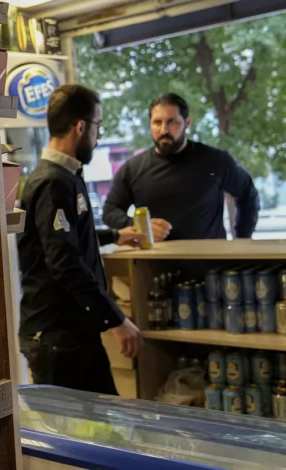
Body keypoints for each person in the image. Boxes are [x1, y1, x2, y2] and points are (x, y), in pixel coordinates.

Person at [19, 84, 144, 395]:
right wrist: (116, 319)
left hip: (74, 333)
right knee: (79, 424)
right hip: (56, 338)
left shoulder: (67, 176)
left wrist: (116, 235)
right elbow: (65, 262)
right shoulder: (52, 182)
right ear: (80, 127)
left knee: (103, 418)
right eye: (98, 126)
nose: (98, 137)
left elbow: (69, 239)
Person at [103, 93, 259, 241]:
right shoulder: (133, 169)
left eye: (172, 122)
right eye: (157, 122)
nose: (164, 130)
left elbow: (248, 193)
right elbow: (110, 211)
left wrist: (242, 239)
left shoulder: (214, 161)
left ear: (187, 123)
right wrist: (139, 226)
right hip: (155, 258)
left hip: (210, 257)